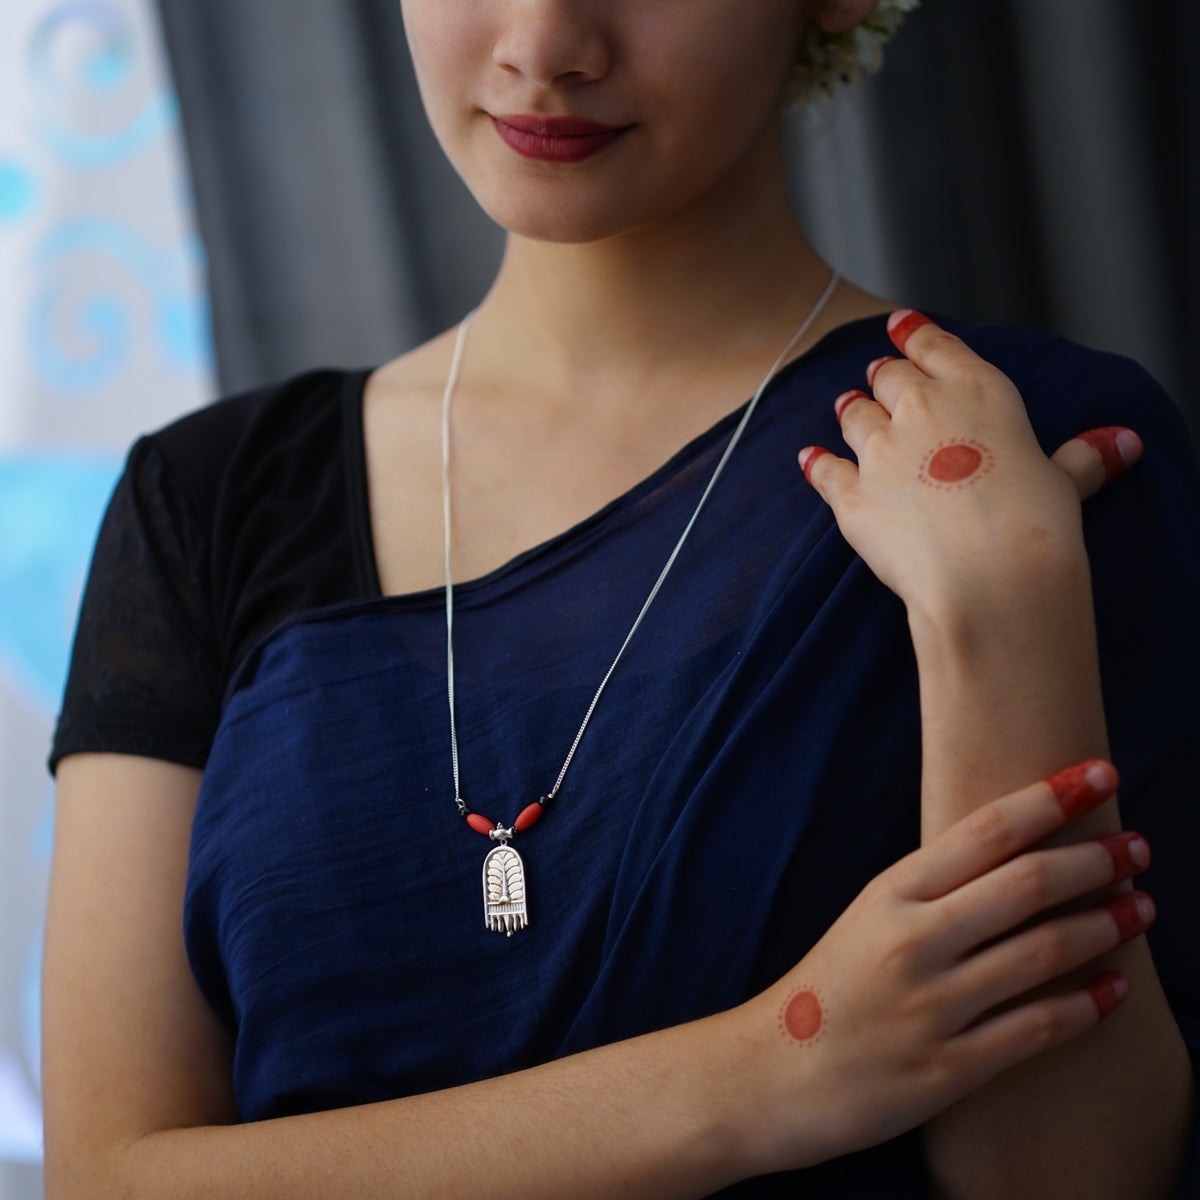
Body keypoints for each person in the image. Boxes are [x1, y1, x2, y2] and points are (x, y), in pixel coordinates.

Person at [40, 1, 1199, 1197]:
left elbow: (1080, 1179)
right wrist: (773, 1068)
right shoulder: (208, 501)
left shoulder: (1020, 453)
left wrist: (1001, 621)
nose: (544, 48)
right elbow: (109, 1178)